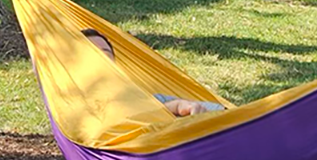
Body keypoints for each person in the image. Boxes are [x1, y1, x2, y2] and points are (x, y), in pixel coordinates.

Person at [80, 29, 225, 117]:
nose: (102, 57)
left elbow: (221, 112)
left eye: (105, 52)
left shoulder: (146, 98)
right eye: (92, 53)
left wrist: (181, 107)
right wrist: (167, 110)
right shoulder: (75, 105)